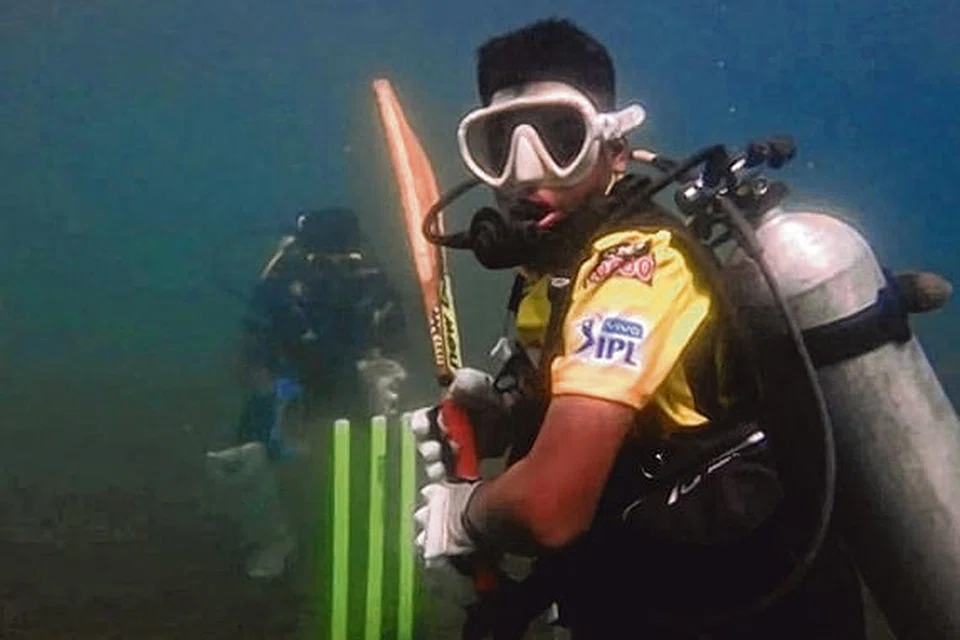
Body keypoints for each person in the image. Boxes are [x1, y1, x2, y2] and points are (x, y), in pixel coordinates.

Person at [408, 19, 866, 638]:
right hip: (652, 596)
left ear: (615, 149)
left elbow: (551, 506)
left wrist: (469, 513)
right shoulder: (558, 270)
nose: (525, 172)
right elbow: (640, 420)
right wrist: (509, 417)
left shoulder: (634, 268)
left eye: (560, 138)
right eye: (499, 145)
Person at [206, 207, 408, 579]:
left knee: (405, 439)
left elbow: (394, 341)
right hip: (292, 381)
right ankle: (270, 537)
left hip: (354, 380)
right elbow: (253, 345)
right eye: (321, 263)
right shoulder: (281, 281)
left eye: (345, 262)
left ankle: (397, 530)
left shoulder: (373, 282)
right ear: (303, 255)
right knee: (241, 457)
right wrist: (269, 392)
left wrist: (383, 376)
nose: (333, 272)